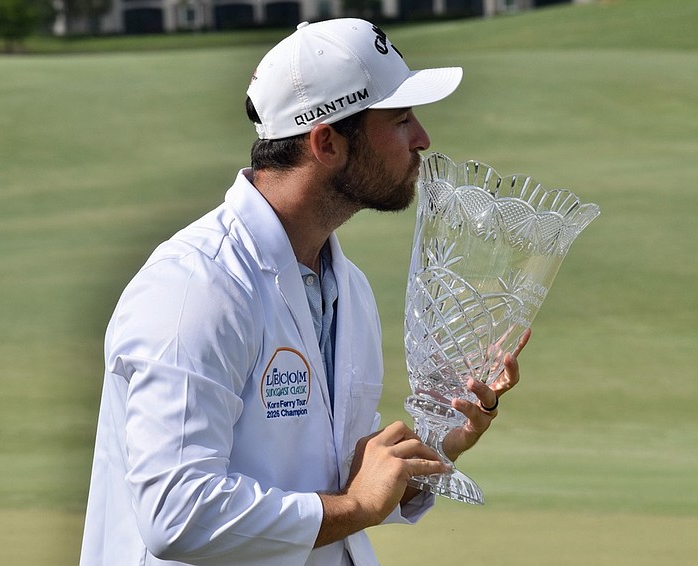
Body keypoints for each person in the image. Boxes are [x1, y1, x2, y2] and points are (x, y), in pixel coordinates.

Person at [79, 18, 527, 566]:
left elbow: (339, 483)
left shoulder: (349, 287)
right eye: (401, 118)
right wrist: (358, 506)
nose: (423, 138)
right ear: (327, 142)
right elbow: (177, 514)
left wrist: (436, 446)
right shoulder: (195, 285)